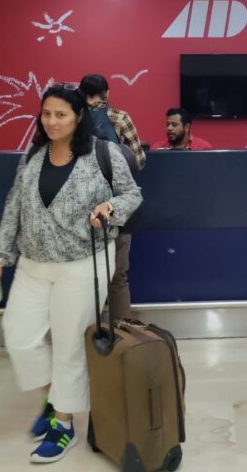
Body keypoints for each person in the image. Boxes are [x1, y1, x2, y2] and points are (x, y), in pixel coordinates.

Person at [0, 83, 142, 464]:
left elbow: (132, 194)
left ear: (78, 117)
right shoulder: (33, 155)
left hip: (83, 263)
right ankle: (54, 400)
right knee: (19, 337)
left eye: (61, 114)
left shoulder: (103, 154)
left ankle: (64, 425)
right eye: (47, 113)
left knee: (69, 346)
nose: (52, 121)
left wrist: (109, 207)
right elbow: (14, 208)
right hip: (33, 266)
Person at [78, 73, 146, 326]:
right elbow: (139, 159)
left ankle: (85, 333)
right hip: (118, 208)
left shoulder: (75, 119)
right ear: (107, 93)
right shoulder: (120, 118)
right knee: (118, 276)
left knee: (84, 276)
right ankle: (123, 331)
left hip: (83, 210)